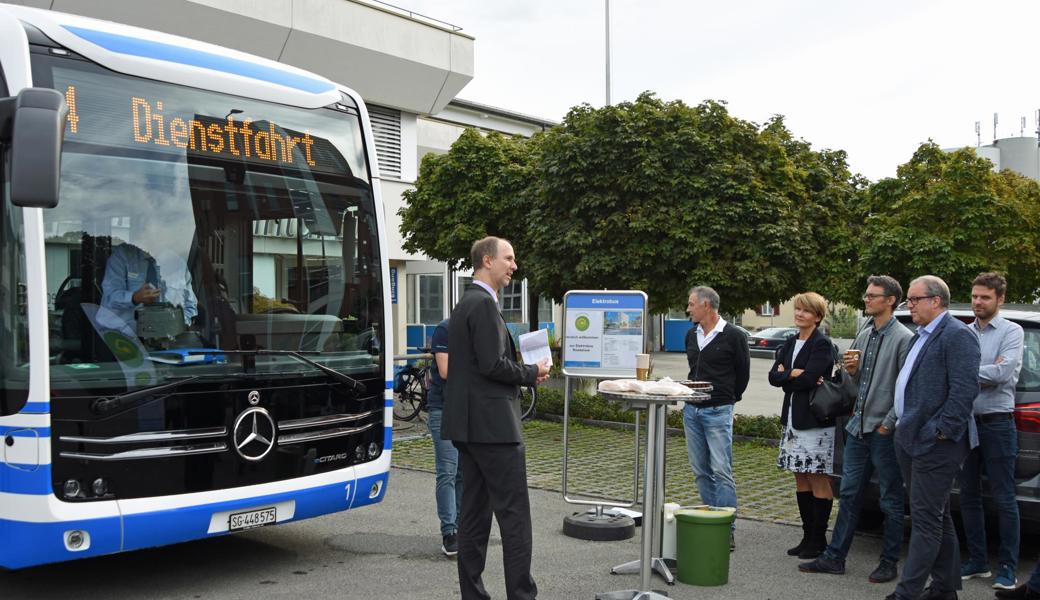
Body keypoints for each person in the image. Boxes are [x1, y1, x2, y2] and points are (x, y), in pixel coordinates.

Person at [441, 236, 550, 600]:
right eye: (509, 258)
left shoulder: (465, 303)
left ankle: (473, 595)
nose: (514, 265)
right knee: (515, 519)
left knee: (472, 518)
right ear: (487, 260)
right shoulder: (483, 305)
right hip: (496, 429)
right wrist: (530, 372)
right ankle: (522, 596)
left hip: (469, 429)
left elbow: (473, 366)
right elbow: (492, 365)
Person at [799, 275, 913, 583]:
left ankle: (889, 562)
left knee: (890, 499)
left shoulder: (903, 338)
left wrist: (887, 425)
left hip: (883, 431)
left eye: (873, 295)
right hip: (857, 427)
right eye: (866, 294)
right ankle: (835, 557)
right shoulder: (865, 333)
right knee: (849, 495)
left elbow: (904, 390)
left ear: (890, 300)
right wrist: (850, 371)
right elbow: (853, 381)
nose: (866, 299)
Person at [885, 275, 980, 600]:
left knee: (925, 521)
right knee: (936, 516)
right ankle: (944, 588)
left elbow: (965, 392)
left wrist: (939, 432)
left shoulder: (957, 336)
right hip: (910, 439)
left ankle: (906, 593)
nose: (907, 305)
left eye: (913, 299)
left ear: (935, 301)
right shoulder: (919, 336)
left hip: (936, 444)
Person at [959, 273, 1024, 591]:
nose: (977, 302)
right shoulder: (965, 333)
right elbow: (979, 373)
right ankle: (978, 561)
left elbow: (1002, 372)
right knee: (969, 495)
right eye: (974, 296)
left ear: (999, 299)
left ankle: (1008, 568)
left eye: (984, 297)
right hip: (967, 423)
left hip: (998, 423)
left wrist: (965, 374)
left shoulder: (1012, 331)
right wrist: (980, 373)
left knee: (1004, 498)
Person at [768, 292, 837, 560]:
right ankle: (807, 536)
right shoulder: (789, 343)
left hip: (815, 423)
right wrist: (789, 374)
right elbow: (774, 377)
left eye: (806, 311)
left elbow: (809, 379)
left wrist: (791, 375)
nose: (800, 314)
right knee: (800, 477)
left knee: (817, 477)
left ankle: (819, 540)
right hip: (793, 421)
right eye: (797, 310)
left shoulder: (822, 345)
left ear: (817, 317)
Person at [682, 285, 750, 550]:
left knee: (721, 471)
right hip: (692, 410)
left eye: (691, 304)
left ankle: (726, 528)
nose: (688, 309)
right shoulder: (691, 334)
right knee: (700, 471)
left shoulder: (733, 335)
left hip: (719, 410)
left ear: (706, 305)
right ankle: (711, 520)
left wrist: (728, 399)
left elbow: (742, 374)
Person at [427, 317, 464, 557]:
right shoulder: (445, 329)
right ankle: (449, 532)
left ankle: (461, 527)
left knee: (463, 472)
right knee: (448, 472)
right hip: (444, 409)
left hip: (467, 410)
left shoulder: (477, 331)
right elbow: (446, 370)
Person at [101, 242, 197, 333]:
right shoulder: (122, 255)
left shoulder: (177, 263)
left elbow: (190, 305)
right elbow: (110, 297)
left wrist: (177, 327)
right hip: (122, 339)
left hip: (167, 341)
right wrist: (135, 298)